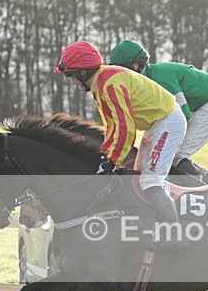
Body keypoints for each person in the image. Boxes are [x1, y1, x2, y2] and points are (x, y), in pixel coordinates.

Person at [54, 41, 188, 251]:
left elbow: (125, 127)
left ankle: (176, 236)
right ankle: (150, 227)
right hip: (156, 123)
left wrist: (111, 161)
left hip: (167, 121)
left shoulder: (109, 83)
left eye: (71, 76)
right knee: (137, 177)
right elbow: (112, 126)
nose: (72, 82)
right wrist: (106, 156)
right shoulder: (101, 83)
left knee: (151, 181)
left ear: (82, 71)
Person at [108, 40, 208, 177]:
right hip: (200, 103)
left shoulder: (161, 79)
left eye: (121, 69)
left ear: (136, 65)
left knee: (177, 155)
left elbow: (183, 114)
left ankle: (202, 188)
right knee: (163, 154)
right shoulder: (144, 80)